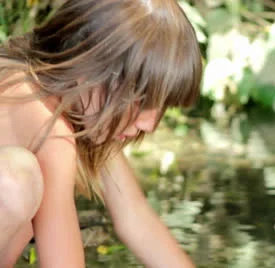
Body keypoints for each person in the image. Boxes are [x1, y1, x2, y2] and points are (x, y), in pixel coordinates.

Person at [0, 0, 202, 267]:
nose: (150, 124)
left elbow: (136, 218)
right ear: (88, 71)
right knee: (15, 182)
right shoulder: (49, 128)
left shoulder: (73, 102)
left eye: (161, 106)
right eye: (142, 100)